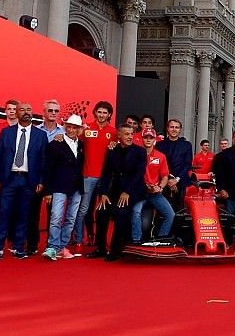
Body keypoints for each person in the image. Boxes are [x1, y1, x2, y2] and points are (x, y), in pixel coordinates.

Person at [0, 103, 47, 261]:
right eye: (23, 109)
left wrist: (41, 180)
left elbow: (43, 160)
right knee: (3, 213)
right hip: (9, 180)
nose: (26, 112)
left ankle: (19, 248)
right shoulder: (6, 132)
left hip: (29, 180)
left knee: (24, 215)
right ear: (16, 113)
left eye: (29, 109)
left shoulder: (40, 135)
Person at [95, 124, 147, 261]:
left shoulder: (140, 152)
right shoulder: (112, 150)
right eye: (126, 134)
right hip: (115, 190)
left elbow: (139, 174)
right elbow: (106, 173)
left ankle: (116, 250)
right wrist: (104, 193)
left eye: (131, 134)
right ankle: (100, 248)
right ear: (119, 136)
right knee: (101, 211)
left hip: (134, 190)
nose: (130, 137)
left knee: (121, 212)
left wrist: (127, 191)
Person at [72, 101, 117, 248]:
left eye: (105, 112)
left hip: (105, 178)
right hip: (88, 175)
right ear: (95, 113)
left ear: (109, 114)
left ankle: (100, 241)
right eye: (99, 112)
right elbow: (72, 141)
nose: (102, 115)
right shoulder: (86, 128)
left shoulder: (114, 132)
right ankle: (80, 239)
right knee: (84, 209)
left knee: (104, 210)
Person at [41, 114, 85, 261]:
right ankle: (53, 247)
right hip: (58, 186)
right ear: (65, 127)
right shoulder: (55, 144)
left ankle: (61, 246)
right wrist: (47, 191)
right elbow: (48, 169)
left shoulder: (82, 145)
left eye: (75, 128)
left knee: (71, 218)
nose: (71, 130)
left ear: (79, 129)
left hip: (77, 187)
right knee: (56, 217)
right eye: (69, 127)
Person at [27, 99, 65, 255]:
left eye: (56, 111)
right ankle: (32, 245)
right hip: (36, 177)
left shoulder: (64, 132)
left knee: (54, 215)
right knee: (32, 212)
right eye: (50, 110)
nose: (53, 114)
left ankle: (51, 246)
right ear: (43, 113)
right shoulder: (34, 131)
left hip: (55, 179)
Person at [131, 128, 176, 242]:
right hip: (139, 192)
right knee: (135, 212)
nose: (148, 140)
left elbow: (165, 176)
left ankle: (161, 238)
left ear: (155, 140)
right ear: (142, 139)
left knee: (170, 214)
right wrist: (146, 187)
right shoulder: (135, 154)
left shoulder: (161, 156)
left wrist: (160, 187)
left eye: (151, 138)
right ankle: (136, 240)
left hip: (155, 193)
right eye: (146, 137)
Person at [156, 118, 193, 212]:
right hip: (163, 182)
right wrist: (168, 179)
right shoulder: (159, 145)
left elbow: (187, 164)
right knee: (163, 211)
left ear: (180, 129)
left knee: (179, 210)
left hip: (181, 182)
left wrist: (176, 180)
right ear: (167, 129)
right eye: (172, 127)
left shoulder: (187, 145)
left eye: (177, 127)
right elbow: (159, 163)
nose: (174, 129)